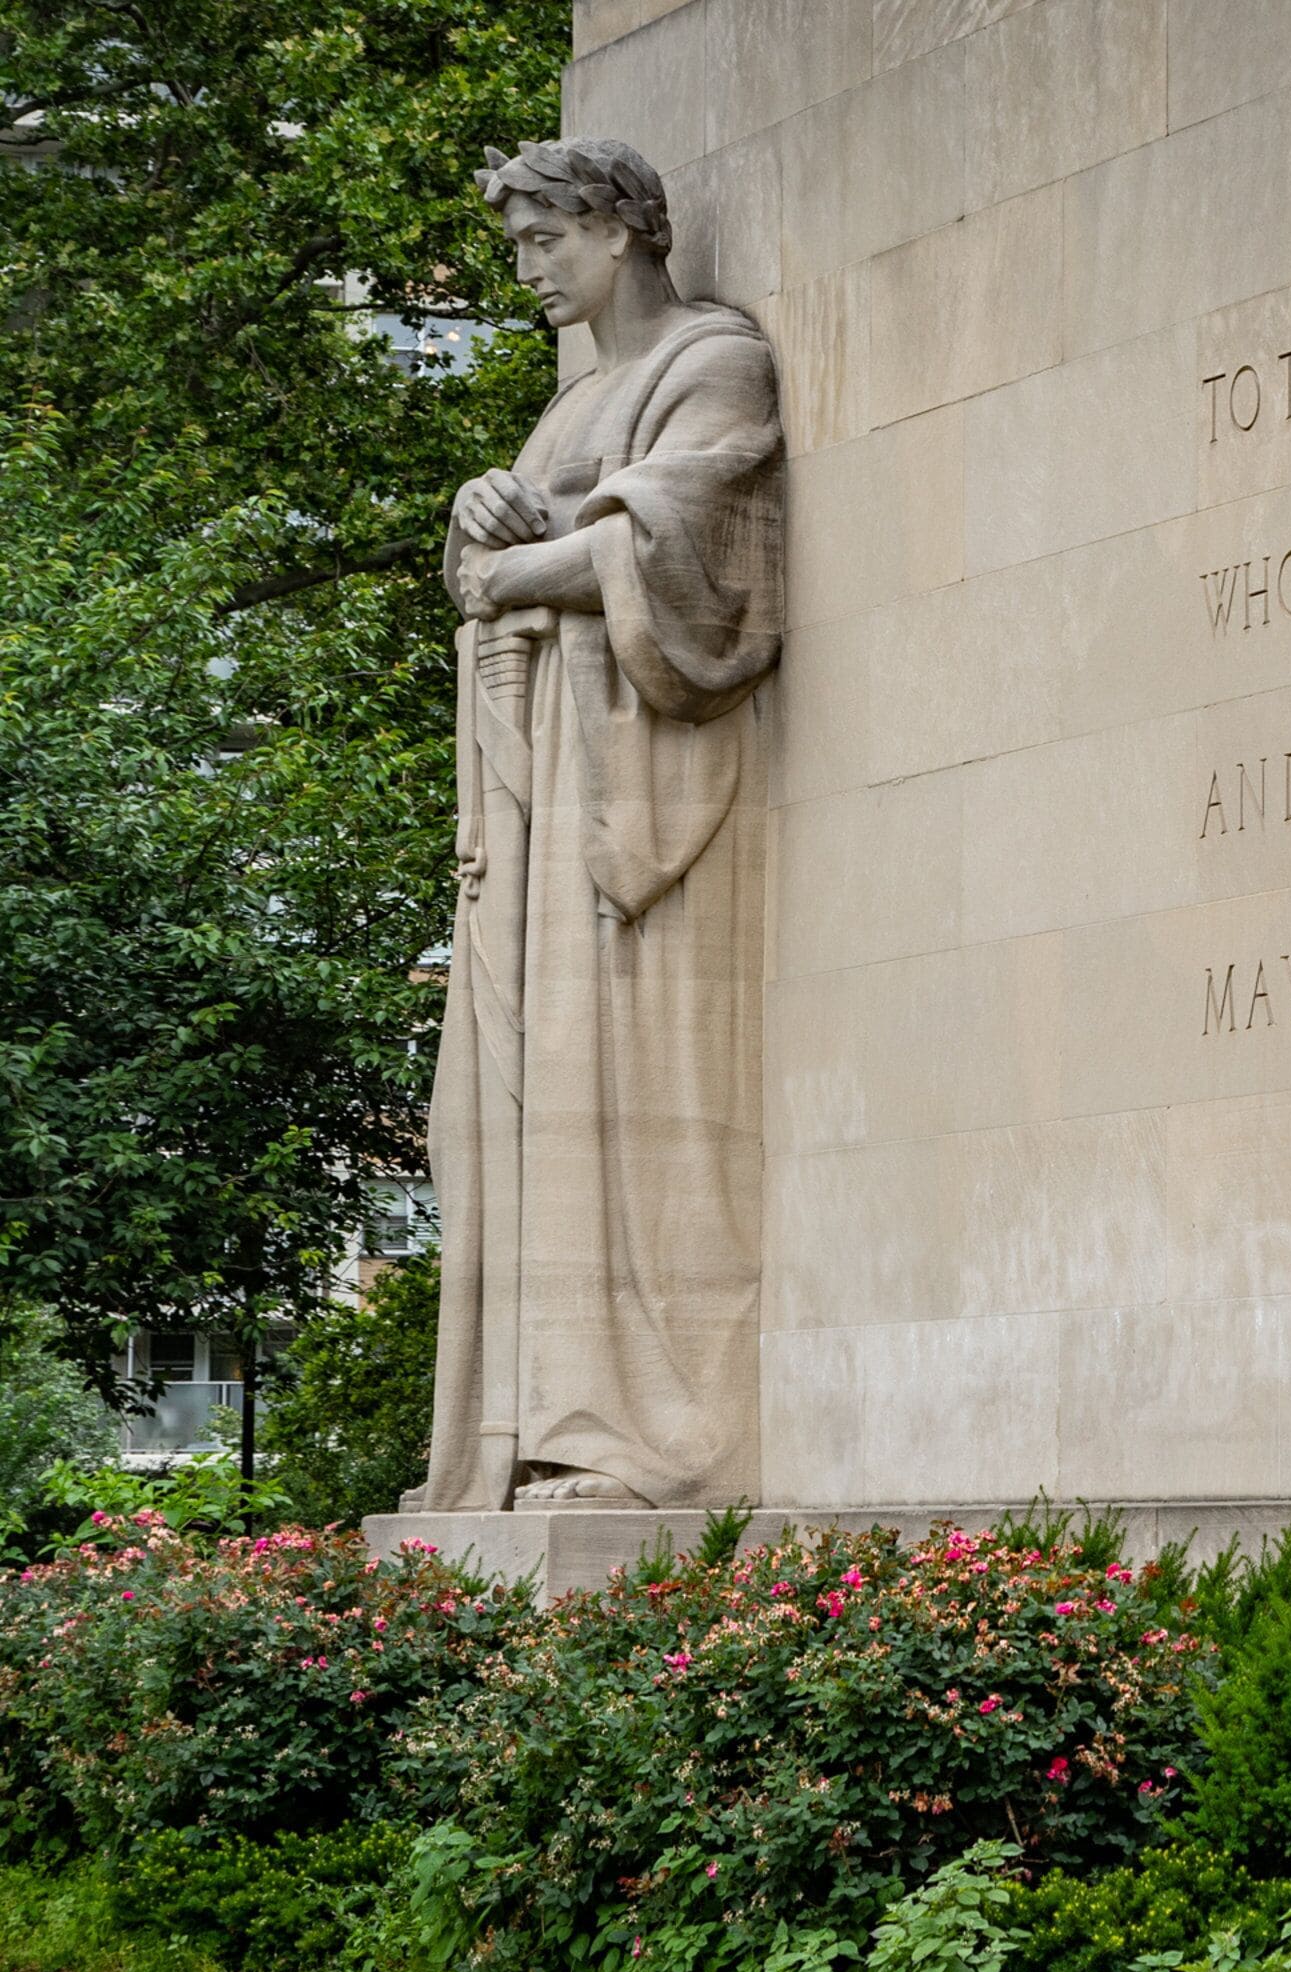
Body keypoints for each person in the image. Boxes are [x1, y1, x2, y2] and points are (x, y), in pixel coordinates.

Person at [411, 139, 777, 1513]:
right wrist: (478, 525)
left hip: (630, 778)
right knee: (518, 1100)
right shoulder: (568, 412)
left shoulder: (710, 362)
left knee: (615, 1100)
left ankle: (628, 1438)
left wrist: (515, 566)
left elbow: (676, 544)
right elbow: (495, 570)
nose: (527, 274)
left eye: (541, 244)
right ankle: (537, 1423)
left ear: (615, 229)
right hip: (544, 781)